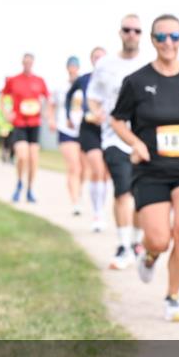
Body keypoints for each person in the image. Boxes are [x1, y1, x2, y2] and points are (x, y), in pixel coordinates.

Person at [111, 14, 179, 321]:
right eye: (161, 37)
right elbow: (116, 120)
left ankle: (172, 296)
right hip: (152, 169)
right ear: (152, 40)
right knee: (159, 238)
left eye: (174, 36)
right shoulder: (136, 81)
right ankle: (148, 255)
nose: (168, 43)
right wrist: (134, 142)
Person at [88, 16, 147, 269]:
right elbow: (92, 96)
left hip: (142, 138)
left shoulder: (149, 64)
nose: (131, 34)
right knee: (122, 191)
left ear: (142, 34)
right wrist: (97, 113)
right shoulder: (105, 65)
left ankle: (135, 242)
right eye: (127, 30)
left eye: (136, 30)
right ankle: (123, 245)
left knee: (139, 194)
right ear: (120, 33)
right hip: (114, 136)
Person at [67, 46, 111, 231]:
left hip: (108, 128)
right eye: (95, 57)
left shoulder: (113, 78)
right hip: (89, 128)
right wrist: (70, 115)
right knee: (96, 168)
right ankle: (97, 213)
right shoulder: (84, 79)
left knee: (106, 173)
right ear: (91, 59)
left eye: (102, 57)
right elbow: (70, 96)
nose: (99, 60)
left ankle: (102, 207)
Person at [2, 53, 50, 203]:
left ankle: (30, 189)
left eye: (30, 62)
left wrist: (46, 112)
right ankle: (19, 184)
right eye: (25, 62)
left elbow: (48, 99)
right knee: (22, 156)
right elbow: (3, 97)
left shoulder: (39, 81)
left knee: (33, 159)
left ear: (33, 63)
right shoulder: (13, 80)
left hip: (34, 123)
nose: (27, 64)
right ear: (22, 63)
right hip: (19, 123)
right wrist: (6, 113)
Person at [49, 56, 86, 216]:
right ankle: (75, 202)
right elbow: (51, 106)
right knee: (74, 166)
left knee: (84, 169)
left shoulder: (84, 84)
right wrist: (51, 120)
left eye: (75, 66)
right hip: (65, 129)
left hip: (83, 129)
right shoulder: (60, 87)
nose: (73, 68)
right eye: (70, 65)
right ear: (67, 68)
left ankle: (79, 191)